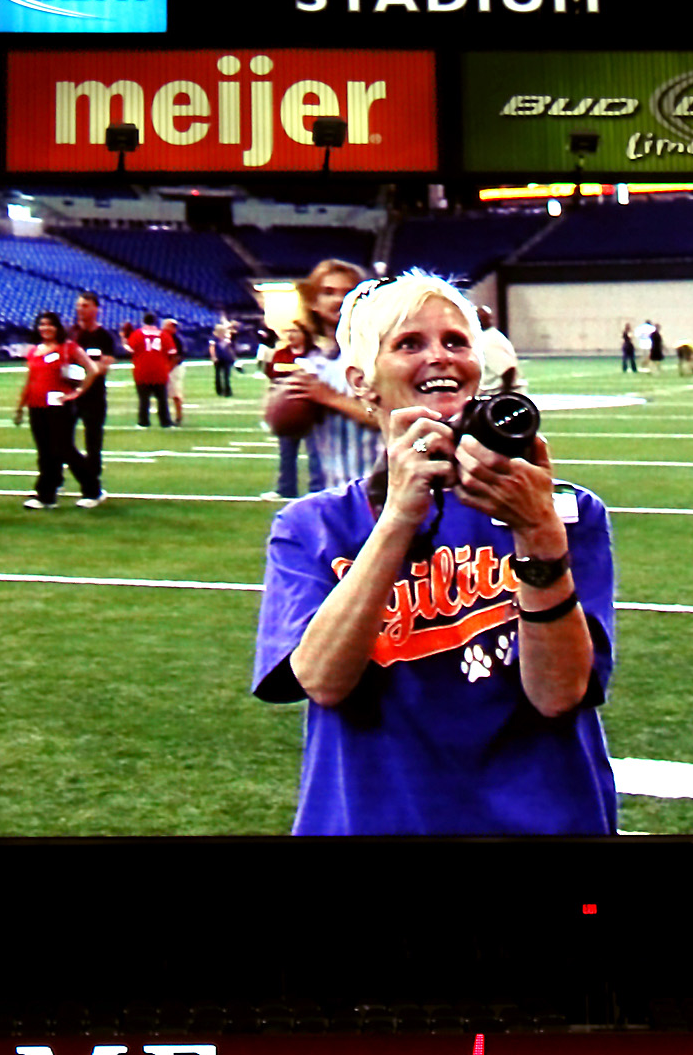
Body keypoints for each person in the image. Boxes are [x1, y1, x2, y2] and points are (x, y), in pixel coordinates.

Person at [252, 271, 617, 836]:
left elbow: (557, 694)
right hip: (376, 822)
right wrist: (399, 516)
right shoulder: (312, 527)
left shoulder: (566, 511)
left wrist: (538, 534)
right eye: (409, 344)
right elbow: (323, 681)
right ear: (362, 381)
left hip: (540, 818)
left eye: (456, 342)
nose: (440, 357)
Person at [273, 258, 383, 489]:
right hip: (334, 491)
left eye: (349, 292)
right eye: (328, 292)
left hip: (384, 490)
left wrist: (330, 397)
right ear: (314, 302)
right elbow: (285, 427)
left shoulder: (382, 355)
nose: (338, 299)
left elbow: (392, 419)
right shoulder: (313, 365)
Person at [13, 311, 104, 509]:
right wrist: (20, 406)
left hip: (59, 406)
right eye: (42, 324)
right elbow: (30, 380)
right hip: (36, 406)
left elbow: (93, 369)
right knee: (45, 452)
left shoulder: (68, 347)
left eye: (50, 324)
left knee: (64, 449)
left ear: (57, 327)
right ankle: (46, 495)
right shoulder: (34, 350)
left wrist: (77, 392)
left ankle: (93, 490)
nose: (45, 328)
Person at [261, 320, 324, 500]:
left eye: (295, 331)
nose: (290, 335)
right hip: (286, 411)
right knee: (286, 453)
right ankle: (285, 488)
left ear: (305, 333)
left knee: (316, 455)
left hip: (312, 411)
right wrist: (268, 408)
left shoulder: (316, 355)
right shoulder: (280, 354)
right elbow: (272, 382)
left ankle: (317, 490)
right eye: (288, 331)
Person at [69, 291, 123, 498]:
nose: (80, 309)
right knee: (62, 439)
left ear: (96, 308)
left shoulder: (104, 336)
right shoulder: (71, 333)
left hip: (94, 395)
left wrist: (85, 374)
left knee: (93, 441)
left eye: (85, 305)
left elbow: (104, 366)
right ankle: (59, 479)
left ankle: (93, 484)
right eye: (79, 305)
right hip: (70, 394)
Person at [129, 312, 172, 428]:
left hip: (142, 370)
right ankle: (165, 421)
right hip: (160, 370)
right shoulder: (163, 335)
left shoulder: (137, 334)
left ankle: (143, 421)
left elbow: (130, 350)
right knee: (162, 399)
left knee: (143, 399)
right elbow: (171, 352)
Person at [476, 303, 521, 394]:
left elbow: (508, 369)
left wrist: (506, 394)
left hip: (495, 393)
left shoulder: (489, 340)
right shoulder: (490, 336)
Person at [161, 317, 186, 425]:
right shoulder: (163, 337)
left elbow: (178, 357)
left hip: (174, 369)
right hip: (166, 367)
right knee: (163, 394)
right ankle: (166, 416)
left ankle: (178, 416)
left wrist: (168, 368)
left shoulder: (176, 339)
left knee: (175, 393)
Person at [211, 318, 237, 397]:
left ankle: (227, 390)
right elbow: (212, 348)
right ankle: (219, 390)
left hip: (226, 359)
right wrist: (214, 357)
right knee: (218, 375)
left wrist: (232, 356)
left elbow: (229, 349)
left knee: (226, 375)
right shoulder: (214, 339)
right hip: (219, 359)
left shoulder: (226, 339)